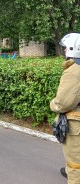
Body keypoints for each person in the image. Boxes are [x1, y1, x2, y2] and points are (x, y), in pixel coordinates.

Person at [50, 33, 80, 183]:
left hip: (77, 125)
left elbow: (62, 103)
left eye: (65, 48)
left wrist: (53, 104)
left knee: (76, 166)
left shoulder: (74, 71)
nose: (63, 51)